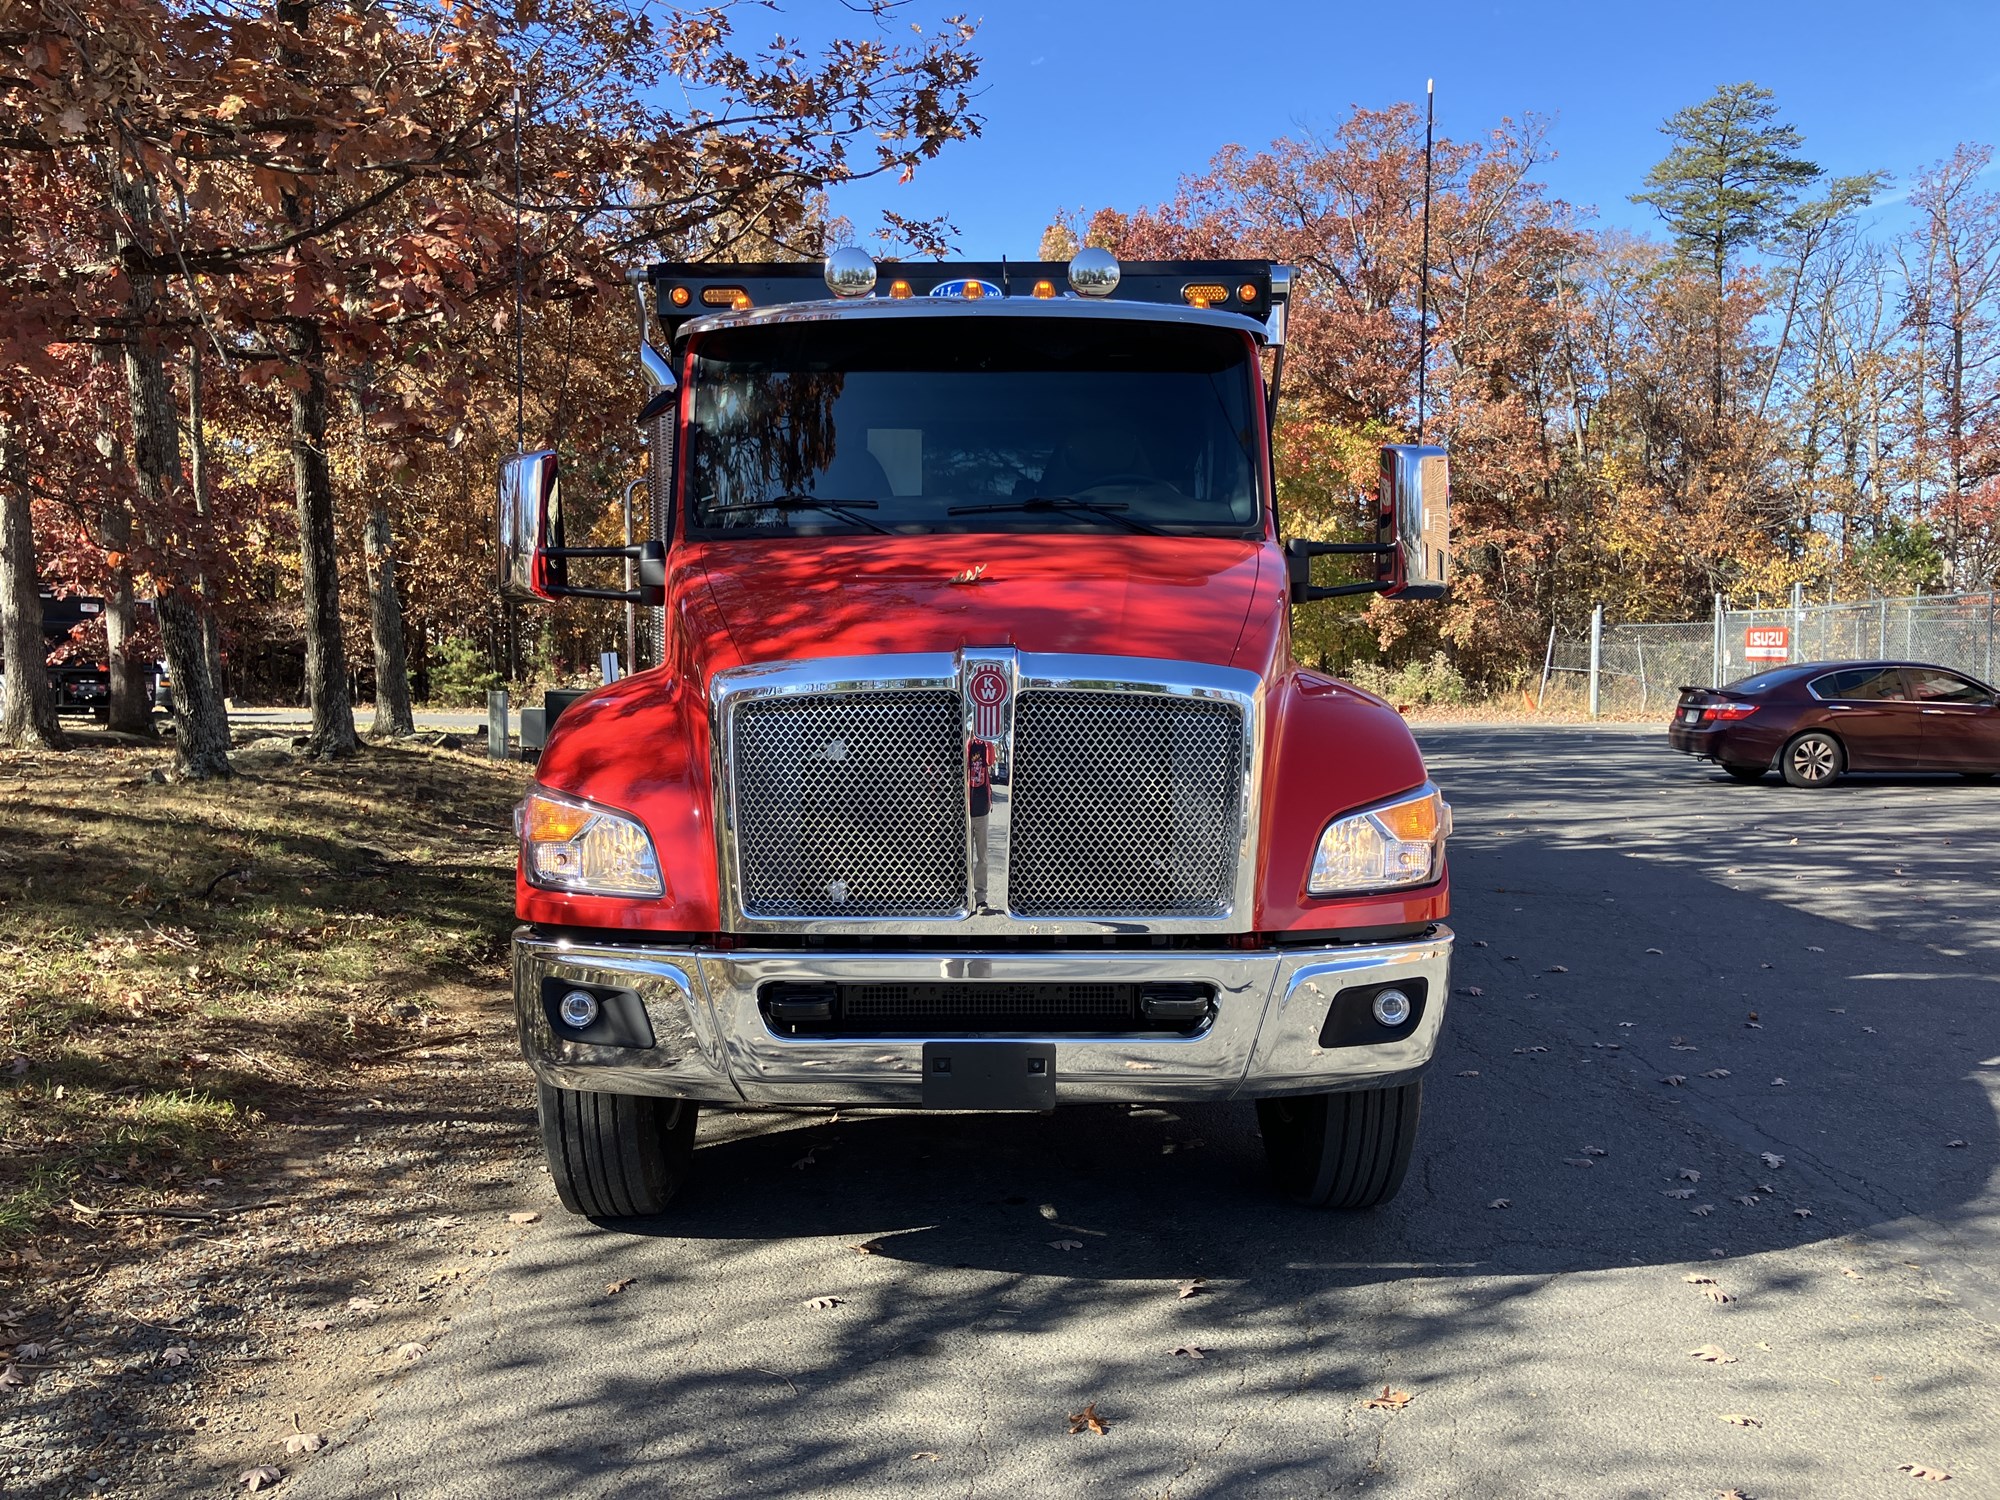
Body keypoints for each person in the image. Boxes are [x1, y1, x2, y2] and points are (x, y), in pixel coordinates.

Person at [968, 739, 992, 911]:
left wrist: (987, 739)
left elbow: (991, 760)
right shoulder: (967, 744)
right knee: (964, 858)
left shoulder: (985, 746)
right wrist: (968, 739)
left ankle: (981, 899)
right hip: (965, 813)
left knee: (982, 858)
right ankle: (963, 898)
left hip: (982, 811)